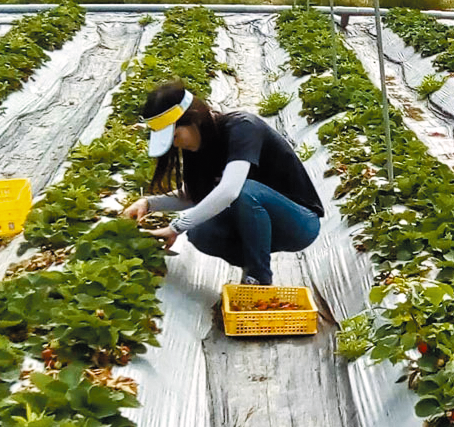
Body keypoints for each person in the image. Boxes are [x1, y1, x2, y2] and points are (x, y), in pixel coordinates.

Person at [121, 81, 324, 286]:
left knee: (245, 191)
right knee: (201, 232)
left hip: (299, 222)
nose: (175, 144)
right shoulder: (197, 148)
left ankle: (258, 280)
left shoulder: (243, 127)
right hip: (257, 221)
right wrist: (148, 204)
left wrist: (175, 227)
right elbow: (194, 195)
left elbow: (229, 191)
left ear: (193, 119)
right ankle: (252, 267)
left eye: (175, 136)